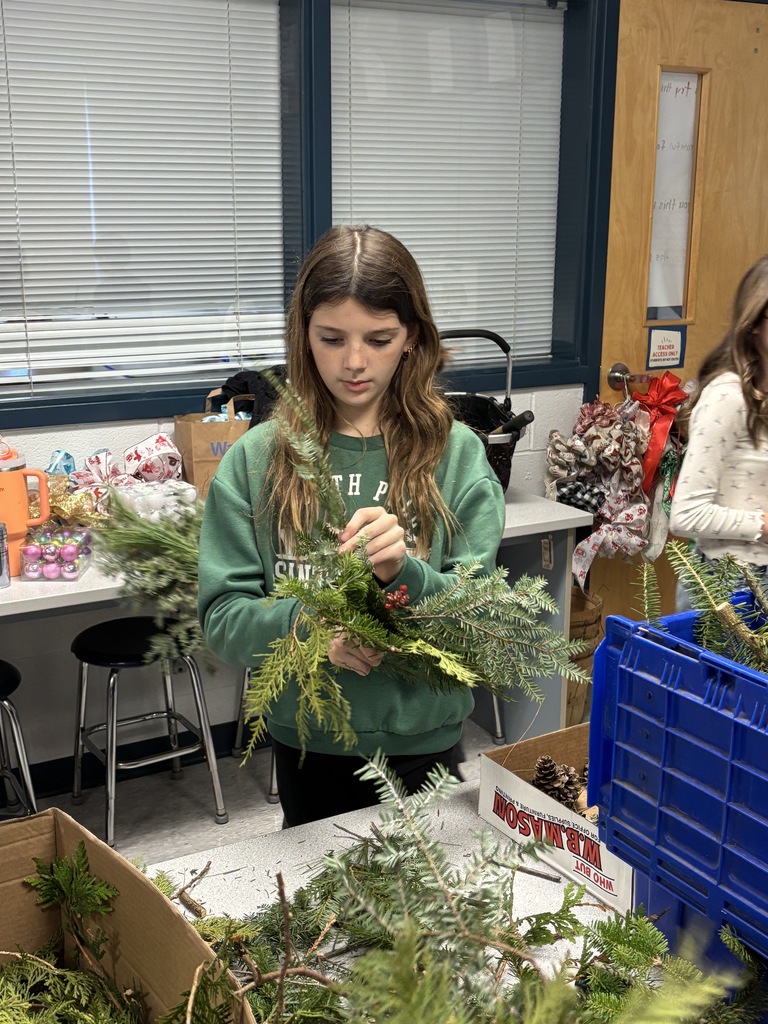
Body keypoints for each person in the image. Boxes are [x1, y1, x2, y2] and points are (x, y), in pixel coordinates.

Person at [197, 224, 506, 826]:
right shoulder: (257, 459)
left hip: (424, 741)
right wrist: (315, 630)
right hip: (310, 744)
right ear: (304, 337)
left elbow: (482, 620)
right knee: (325, 913)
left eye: (380, 338)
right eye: (332, 338)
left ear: (412, 337)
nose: (356, 362)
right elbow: (224, 619)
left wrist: (405, 574)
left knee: (429, 908)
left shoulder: (458, 455)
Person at [669, 254, 768, 608]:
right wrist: (764, 525)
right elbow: (685, 516)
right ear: (754, 323)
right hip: (731, 587)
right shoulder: (727, 396)